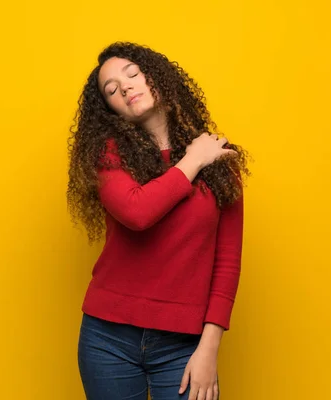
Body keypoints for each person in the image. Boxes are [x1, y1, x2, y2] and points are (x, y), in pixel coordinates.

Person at [67, 42, 250, 400]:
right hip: (108, 339)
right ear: (111, 110)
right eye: (112, 90)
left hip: (184, 342)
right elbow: (138, 212)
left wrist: (209, 348)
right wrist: (193, 160)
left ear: (158, 76)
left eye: (132, 74)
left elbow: (227, 262)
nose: (126, 87)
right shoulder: (107, 154)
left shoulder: (218, 157)